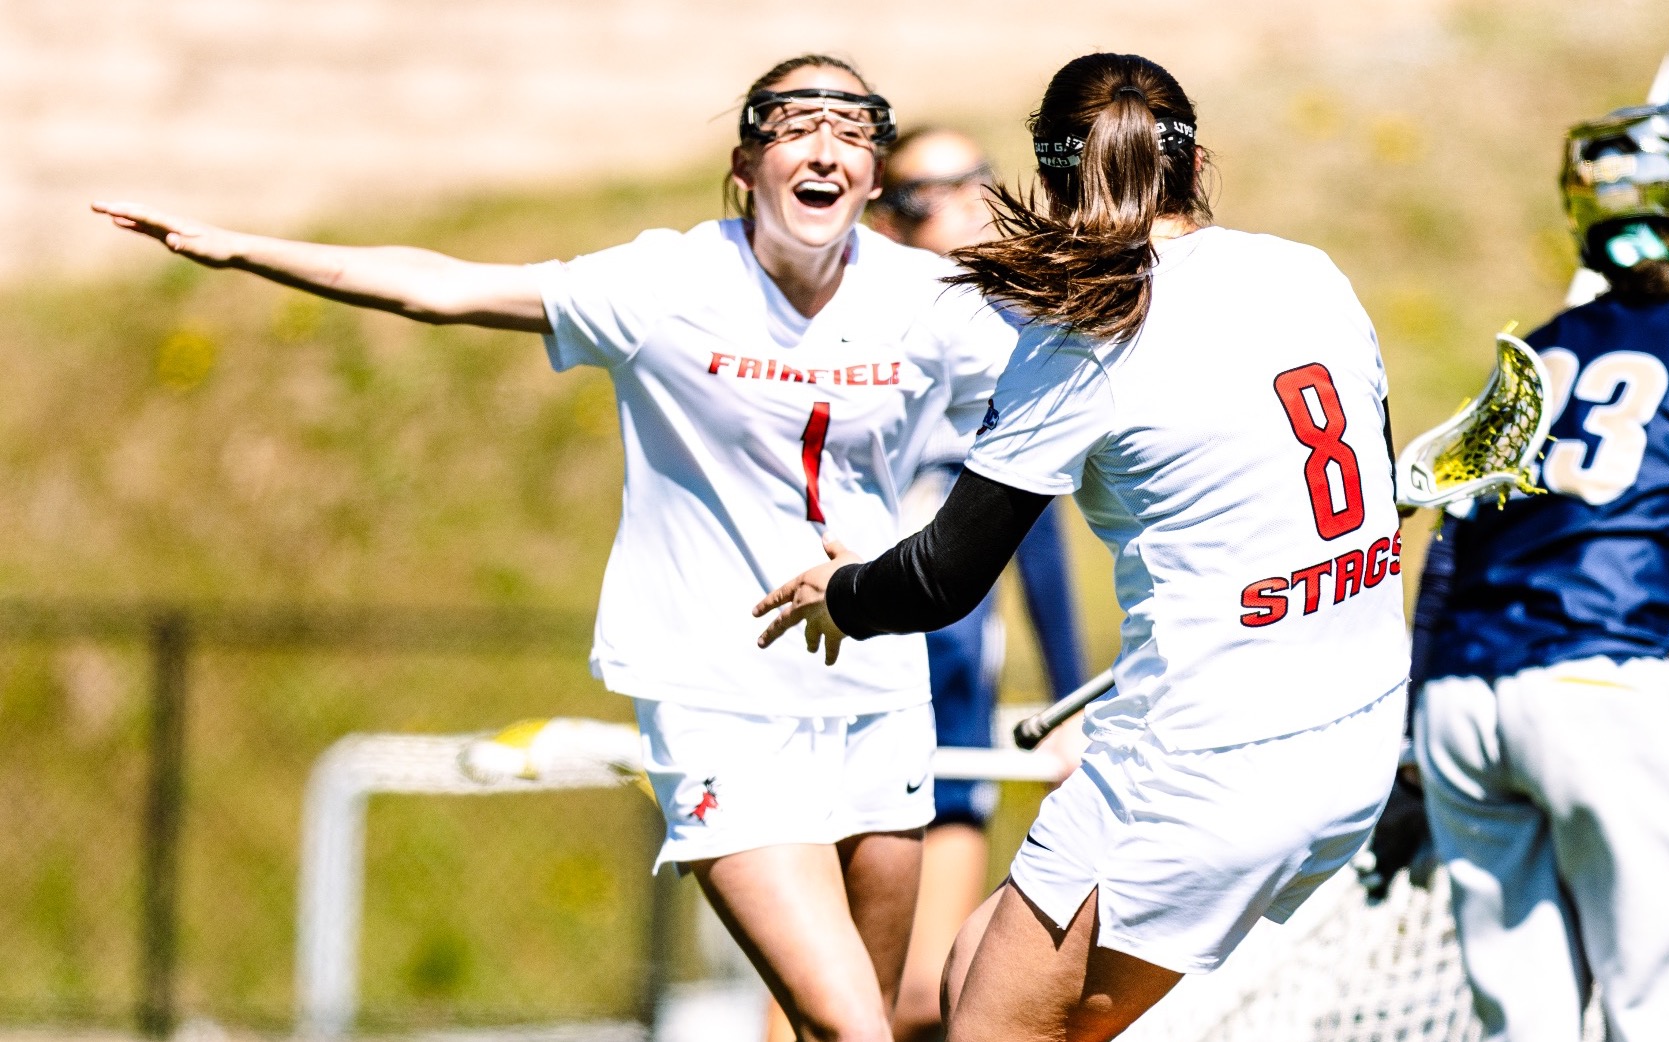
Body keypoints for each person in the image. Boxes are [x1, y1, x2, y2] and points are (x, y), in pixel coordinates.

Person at [94, 54, 1020, 1042]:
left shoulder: (933, 301)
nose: (824, 148)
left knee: (855, 1021)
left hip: (875, 685)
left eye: (851, 131)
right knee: (852, 1026)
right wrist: (240, 249)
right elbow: (442, 290)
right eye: (794, 126)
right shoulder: (667, 284)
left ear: (875, 175)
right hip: (721, 698)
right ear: (746, 164)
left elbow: (1073, 417)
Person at [756, 52, 1410, 1042]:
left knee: (991, 1027)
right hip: (1352, 741)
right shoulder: (1307, 273)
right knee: (966, 967)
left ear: (1055, 181)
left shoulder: (1084, 335)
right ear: (1193, 163)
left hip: (1202, 769)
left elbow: (942, 574)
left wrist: (840, 595)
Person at [1391, 103, 1669, 1041]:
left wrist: (1418, 751)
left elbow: (1453, 551)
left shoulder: (1539, 349)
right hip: (1605, 691)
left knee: (1525, 1025)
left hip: (1462, 701)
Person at [864, 126, 1090, 1042]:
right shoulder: (857, 327)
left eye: (976, 181)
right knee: (836, 1000)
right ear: (883, 214)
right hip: (854, 683)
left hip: (953, 693)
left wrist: (1069, 695)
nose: (960, 204)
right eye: (928, 192)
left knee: (929, 999)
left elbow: (1033, 541)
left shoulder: (1025, 333)